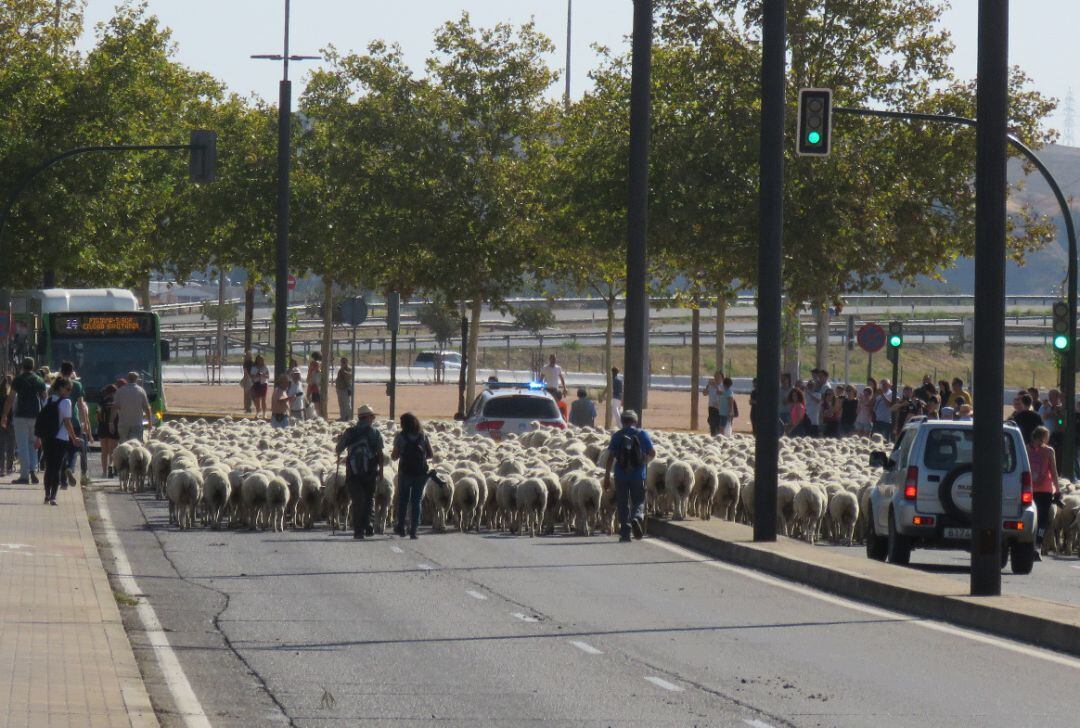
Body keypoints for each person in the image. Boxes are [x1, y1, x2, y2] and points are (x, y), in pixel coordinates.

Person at [603, 410, 655, 542]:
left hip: (621, 474)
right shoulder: (642, 434)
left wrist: (607, 477)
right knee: (639, 500)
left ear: (622, 421)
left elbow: (610, 457)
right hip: (638, 474)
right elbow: (652, 452)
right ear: (635, 421)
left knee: (623, 502)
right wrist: (644, 461)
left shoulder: (617, 435)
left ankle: (625, 532)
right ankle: (637, 517)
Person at [335, 404, 384, 539]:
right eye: (372, 417)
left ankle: (358, 530)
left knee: (357, 501)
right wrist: (381, 472)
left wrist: (341, 444)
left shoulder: (350, 432)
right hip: (370, 471)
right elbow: (380, 453)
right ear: (367, 417)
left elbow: (338, 449)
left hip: (353, 472)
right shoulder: (375, 433)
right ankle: (368, 526)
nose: (373, 419)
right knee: (369, 499)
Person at [36, 377, 81, 506]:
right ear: (61, 388)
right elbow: (67, 422)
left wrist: (38, 437)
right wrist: (74, 437)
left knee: (49, 467)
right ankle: (53, 497)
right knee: (56, 468)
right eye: (68, 389)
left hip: (47, 438)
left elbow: (41, 420)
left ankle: (46, 495)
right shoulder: (66, 402)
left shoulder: (48, 400)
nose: (69, 391)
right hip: (61, 438)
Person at [1, 357, 46, 484]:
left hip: (20, 415)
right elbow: (44, 398)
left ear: (22, 366)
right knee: (33, 444)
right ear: (33, 366)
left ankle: (24, 475)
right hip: (36, 415)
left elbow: (10, 398)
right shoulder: (39, 380)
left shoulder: (18, 379)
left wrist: (4, 415)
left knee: (22, 445)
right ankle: (33, 469)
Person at [391, 412, 432, 539]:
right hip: (420, 473)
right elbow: (430, 454)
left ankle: (401, 527)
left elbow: (394, 456)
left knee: (403, 499)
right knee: (417, 500)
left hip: (405, 472)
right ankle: (414, 529)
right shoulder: (422, 435)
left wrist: (400, 454)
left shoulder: (400, 436)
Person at [1028, 426, 1061, 559]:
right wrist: (1057, 490)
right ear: (1043, 437)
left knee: (1030, 517)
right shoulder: (1048, 451)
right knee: (1042, 520)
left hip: (1029, 488)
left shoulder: (1026, 448)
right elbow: (1053, 472)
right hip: (1045, 490)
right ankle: (1037, 545)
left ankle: (1027, 542)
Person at [60, 361, 91, 487]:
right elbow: (81, 405)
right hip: (74, 421)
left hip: (60, 422)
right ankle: (71, 468)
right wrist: (85, 423)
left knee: (62, 451)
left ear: (61, 371)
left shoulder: (57, 384)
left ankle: (63, 482)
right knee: (74, 449)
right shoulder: (77, 385)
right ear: (72, 371)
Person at [111, 371, 153, 443]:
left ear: (127, 379)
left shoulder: (120, 391)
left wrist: (111, 422)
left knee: (124, 446)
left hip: (123, 424)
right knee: (135, 445)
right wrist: (150, 422)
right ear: (137, 379)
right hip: (137, 424)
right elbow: (147, 408)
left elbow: (115, 408)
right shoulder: (141, 391)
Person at [97, 384, 119, 477]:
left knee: (104, 451)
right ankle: (111, 467)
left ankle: (104, 472)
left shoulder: (101, 402)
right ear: (114, 392)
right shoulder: (116, 402)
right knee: (112, 451)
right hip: (113, 426)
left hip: (102, 427)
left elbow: (98, 414)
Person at [703, 370, 725, 437]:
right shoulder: (710, 385)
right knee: (711, 422)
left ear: (722, 378)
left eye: (718, 376)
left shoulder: (723, 386)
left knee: (718, 423)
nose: (716, 378)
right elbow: (705, 393)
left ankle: (718, 436)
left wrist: (716, 386)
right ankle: (713, 435)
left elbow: (722, 393)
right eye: (715, 376)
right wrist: (707, 386)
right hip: (711, 407)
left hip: (720, 407)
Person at [0, 375, 14, 477]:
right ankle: (9, 467)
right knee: (11, 445)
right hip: (11, 422)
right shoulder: (12, 396)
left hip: (1, 422)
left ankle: (1, 468)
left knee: (1, 445)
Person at [335, 357, 353, 422]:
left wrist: (344, 371)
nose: (343, 363)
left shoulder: (349, 369)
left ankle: (349, 417)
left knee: (347, 404)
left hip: (345, 389)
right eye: (342, 362)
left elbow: (349, 376)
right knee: (341, 404)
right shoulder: (340, 370)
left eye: (344, 362)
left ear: (347, 362)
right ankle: (342, 417)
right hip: (339, 389)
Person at [307, 353, 323, 418]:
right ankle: (315, 416)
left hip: (315, 388)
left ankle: (317, 416)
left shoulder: (317, 367)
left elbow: (309, 379)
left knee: (316, 404)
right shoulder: (315, 370)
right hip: (314, 387)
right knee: (313, 403)